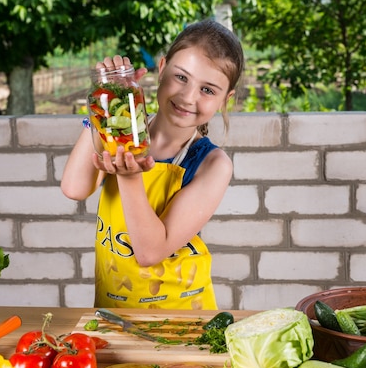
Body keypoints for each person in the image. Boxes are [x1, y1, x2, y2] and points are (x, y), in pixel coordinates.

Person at [61, 19, 245, 310]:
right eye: (181, 78)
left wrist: (130, 178)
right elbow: (74, 187)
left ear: (226, 99)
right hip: (114, 309)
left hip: (181, 318)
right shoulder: (119, 133)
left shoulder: (213, 164)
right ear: (162, 69)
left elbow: (149, 252)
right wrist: (108, 106)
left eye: (208, 90)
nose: (188, 97)